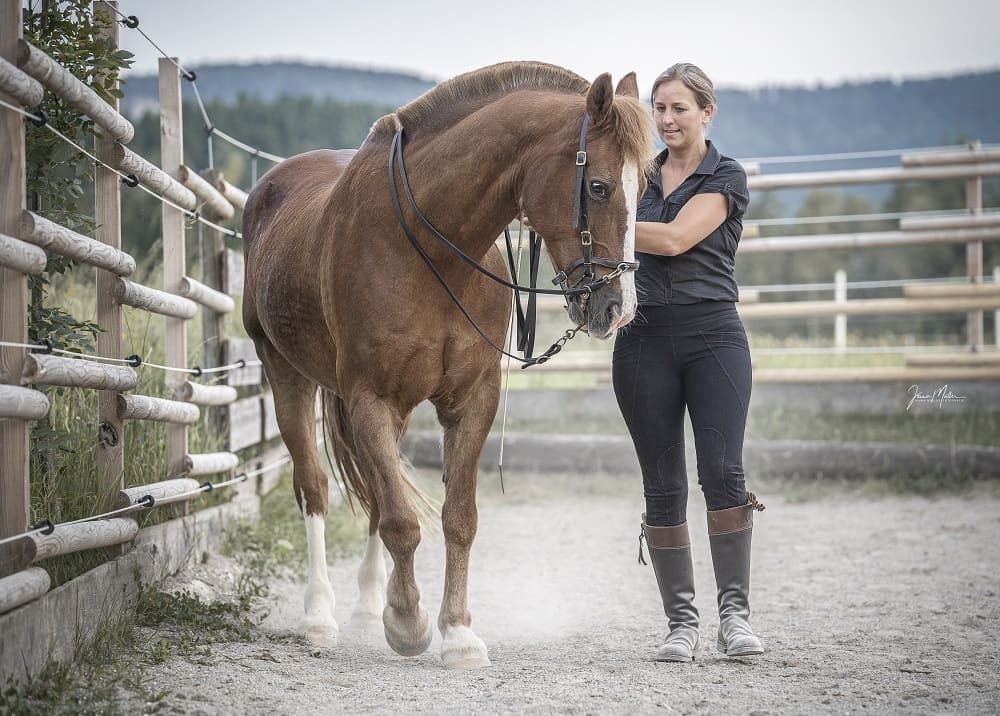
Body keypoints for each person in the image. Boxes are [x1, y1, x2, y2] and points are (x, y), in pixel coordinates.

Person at [612, 62, 765, 662]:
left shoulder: (726, 176)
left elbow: (676, 238)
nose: (667, 119)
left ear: (707, 112)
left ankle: (735, 617)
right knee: (661, 484)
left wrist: (605, 224)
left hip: (714, 340)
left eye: (679, 108)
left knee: (722, 474)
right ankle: (681, 623)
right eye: (659, 108)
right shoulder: (638, 177)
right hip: (643, 340)